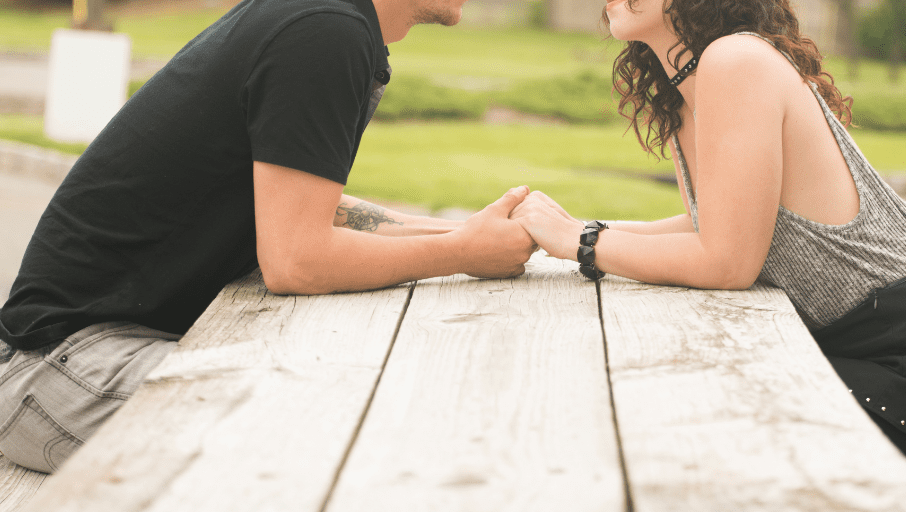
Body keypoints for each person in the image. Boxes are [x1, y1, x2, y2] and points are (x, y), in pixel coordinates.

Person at [0, 0, 534, 474]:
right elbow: (296, 260)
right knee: (357, 424)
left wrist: (466, 232)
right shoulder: (326, 30)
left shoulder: (324, 19)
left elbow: (302, 204)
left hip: (100, 353)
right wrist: (462, 252)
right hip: (59, 369)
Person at [510, 0, 906, 488]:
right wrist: (580, 229)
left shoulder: (737, 61)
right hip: (869, 356)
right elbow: (712, 226)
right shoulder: (690, 88)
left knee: (673, 420)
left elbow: (727, 261)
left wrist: (583, 242)